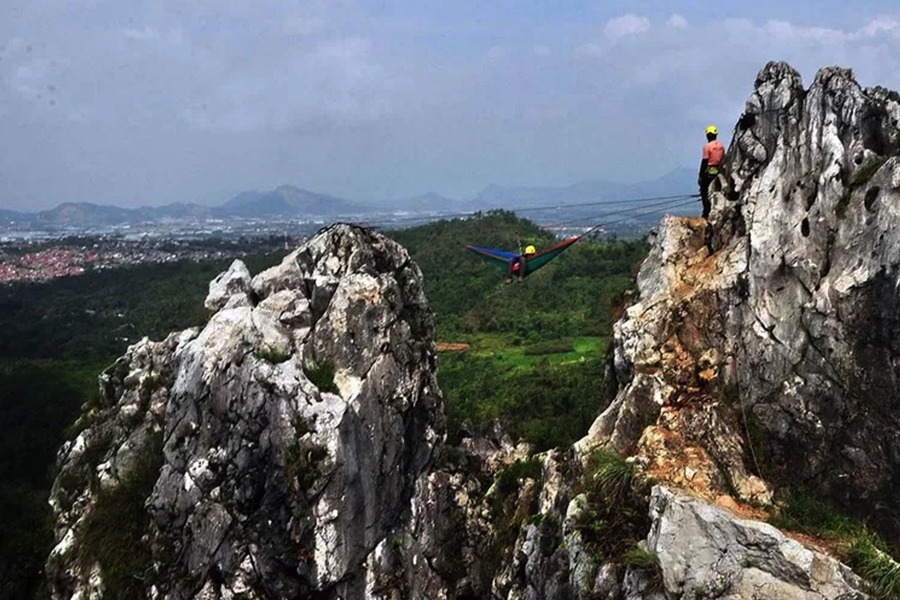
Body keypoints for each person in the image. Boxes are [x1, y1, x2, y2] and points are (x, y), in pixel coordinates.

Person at [699, 125, 725, 219]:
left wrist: (701, 175)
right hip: (719, 170)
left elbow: (705, 161)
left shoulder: (707, 147)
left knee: (704, 191)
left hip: (709, 170)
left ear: (708, 135)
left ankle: (706, 211)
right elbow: (723, 158)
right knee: (716, 190)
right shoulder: (721, 146)